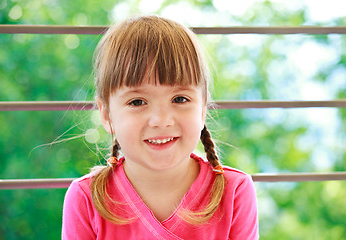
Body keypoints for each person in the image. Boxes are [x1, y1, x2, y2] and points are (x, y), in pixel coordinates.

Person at [62, 15, 258, 240]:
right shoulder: (86, 199)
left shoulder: (235, 192)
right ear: (106, 115)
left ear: (203, 109)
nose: (161, 120)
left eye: (180, 99)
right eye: (137, 102)